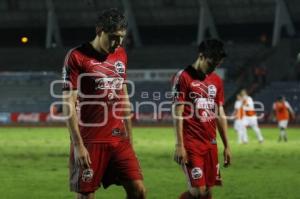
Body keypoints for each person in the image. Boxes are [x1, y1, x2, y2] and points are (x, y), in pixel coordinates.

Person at [62, 8, 146, 199]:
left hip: (118, 138)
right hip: (90, 140)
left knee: (139, 191)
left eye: (122, 38)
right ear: (99, 30)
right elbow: (68, 104)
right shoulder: (76, 57)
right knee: (86, 196)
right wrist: (78, 145)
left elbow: (123, 96)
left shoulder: (121, 55)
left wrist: (130, 139)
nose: (118, 43)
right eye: (114, 37)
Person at [172, 39, 231, 199]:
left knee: (207, 192)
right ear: (201, 55)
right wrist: (179, 145)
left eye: (217, 64)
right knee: (198, 191)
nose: (214, 67)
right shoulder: (183, 77)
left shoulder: (217, 80)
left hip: (210, 144)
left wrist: (227, 146)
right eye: (212, 63)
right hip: (191, 144)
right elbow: (178, 111)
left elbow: (220, 113)